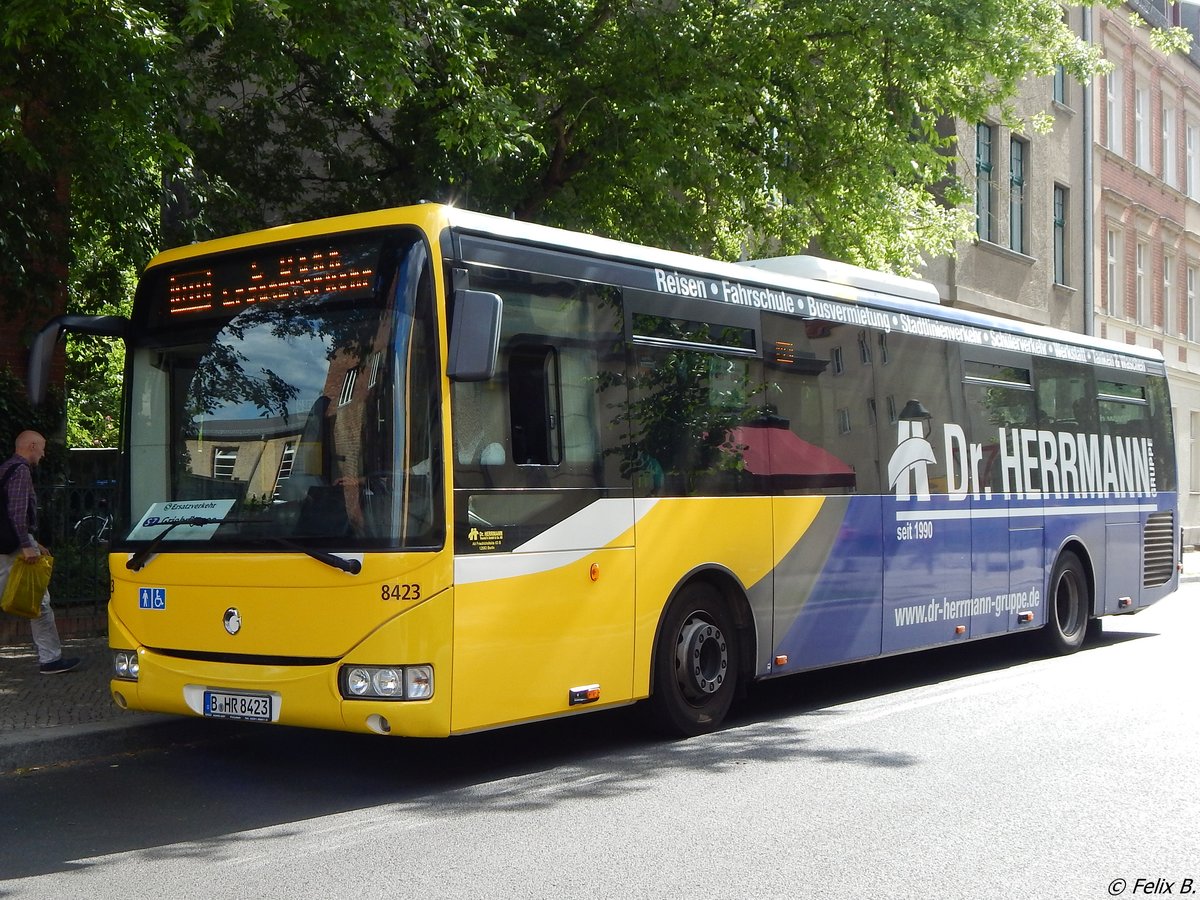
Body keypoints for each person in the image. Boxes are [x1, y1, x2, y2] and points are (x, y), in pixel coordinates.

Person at [0, 430, 80, 674]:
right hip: (14, 545)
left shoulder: (5, 469)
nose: (44, 454)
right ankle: (50, 659)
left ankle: (50, 658)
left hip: (6, 542)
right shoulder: (21, 470)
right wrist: (27, 544)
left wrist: (34, 542)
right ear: (31, 446)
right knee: (40, 602)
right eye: (42, 448)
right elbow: (17, 513)